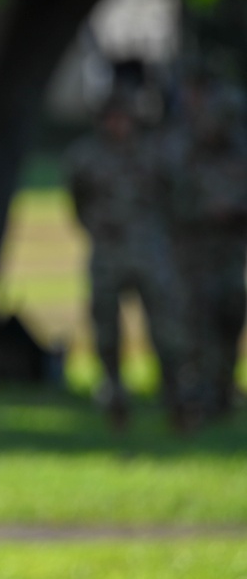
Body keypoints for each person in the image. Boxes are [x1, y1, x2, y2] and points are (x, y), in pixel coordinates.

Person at [62, 82, 198, 431]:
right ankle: (116, 401)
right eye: (111, 117)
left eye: (123, 117)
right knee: (106, 333)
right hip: (107, 255)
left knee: (168, 333)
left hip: (152, 254)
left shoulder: (155, 153)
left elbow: (176, 198)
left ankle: (177, 401)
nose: (117, 124)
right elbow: (77, 200)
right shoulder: (86, 156)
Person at [166, 69, 247, 419]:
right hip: (192, 253)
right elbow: (164, 200)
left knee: (230, 316)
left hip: (230, 251)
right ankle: (195, 396)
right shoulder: (180, 151)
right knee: (194, 321)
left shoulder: (239, 152)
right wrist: (204, 212)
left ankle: (224, 391)